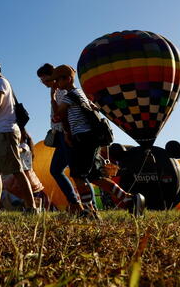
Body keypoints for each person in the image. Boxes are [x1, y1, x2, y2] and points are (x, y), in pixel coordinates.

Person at [53, 64, 145, 217]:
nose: (56, 83)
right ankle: (130, 199)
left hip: (82, 139)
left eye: (58, 80)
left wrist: (53, 99)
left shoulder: (69, 96)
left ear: (68, 79)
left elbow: (58, 114)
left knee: (78, 176)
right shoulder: (80, 93)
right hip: (91, 139)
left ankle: (90, 211)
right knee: (95, 176)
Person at [0, 57, 38, 214]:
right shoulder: (0, 83)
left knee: (16, 170)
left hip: (6, 132)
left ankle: (31, 207)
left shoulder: (1, 82)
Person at [37, 63, 84, 213]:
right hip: (63, 135)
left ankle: (81, 205)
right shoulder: (56, 91)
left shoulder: (61, 92)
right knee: (59, 170)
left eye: (44, 79)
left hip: (67, 135)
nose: (43, 82)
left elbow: (63, 114)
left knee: (76, 172)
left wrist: (66, 133)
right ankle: (75, 204)